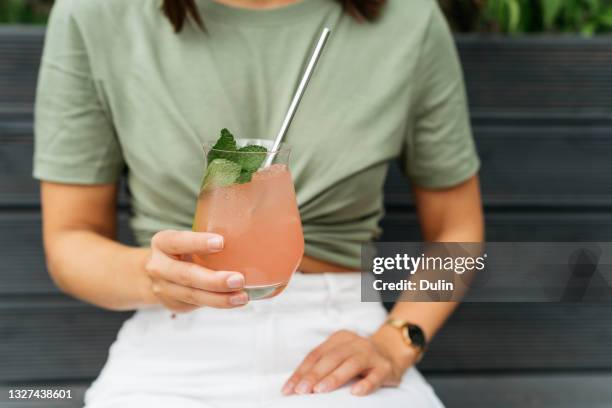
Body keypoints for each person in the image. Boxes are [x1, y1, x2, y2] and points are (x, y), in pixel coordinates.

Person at [34, 0, 483, 406]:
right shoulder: (94, 14)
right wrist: (157, 279)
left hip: (342, 331)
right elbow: (69, 239)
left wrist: (397, 341)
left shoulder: (409, 18)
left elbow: (458, 231)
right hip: (174, 333)